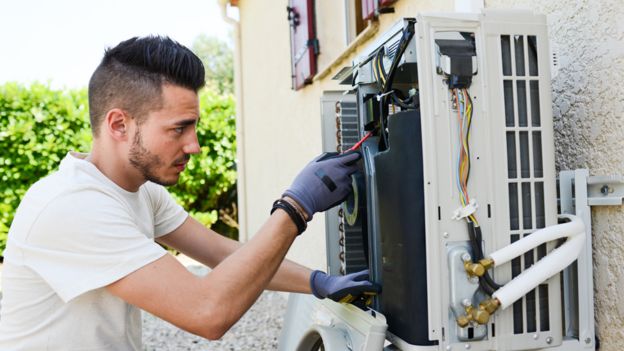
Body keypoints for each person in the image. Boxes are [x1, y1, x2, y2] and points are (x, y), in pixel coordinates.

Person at [0, 36, 379, 349]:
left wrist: (317, 282)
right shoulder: (73, 206)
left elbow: (222, 254)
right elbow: (206, 313)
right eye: (178, 128)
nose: (194, 145)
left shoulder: (138, 189)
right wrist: (295, 207)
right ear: (119, 124)